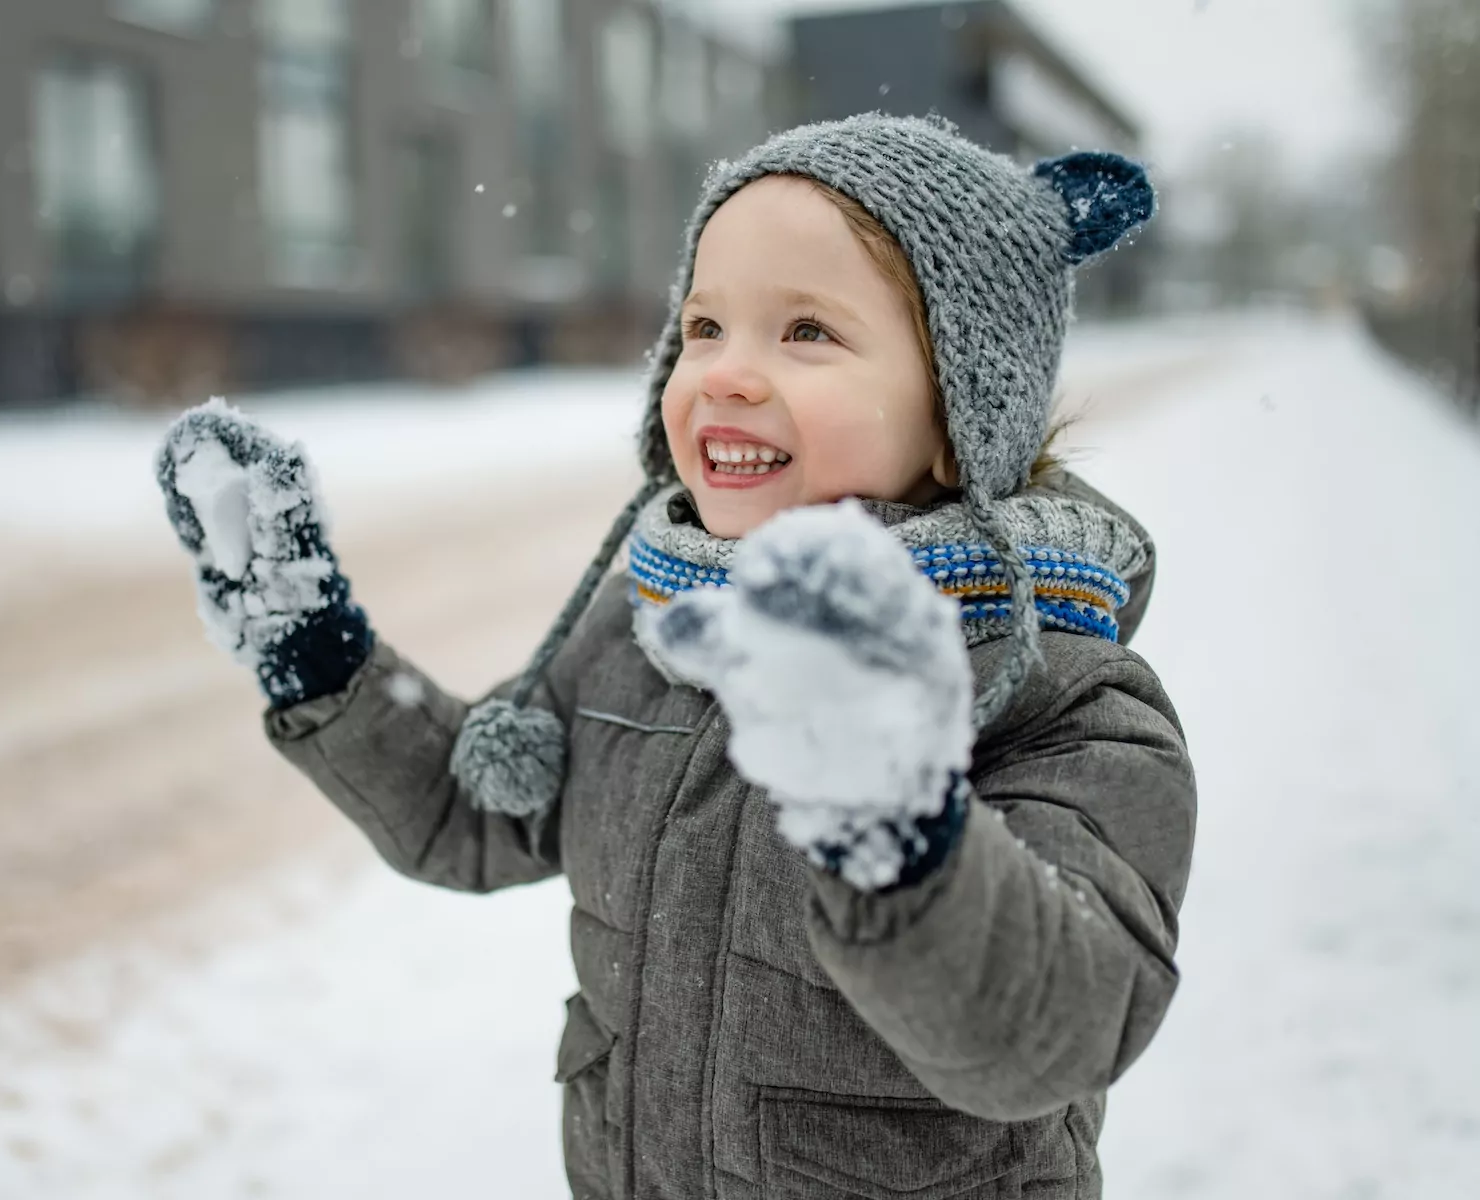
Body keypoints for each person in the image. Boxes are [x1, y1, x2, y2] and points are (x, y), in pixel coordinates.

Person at [154, 112, 1196, 1200]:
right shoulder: (644, 632)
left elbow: (1055, 1029)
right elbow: (474, 815)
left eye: (807, 333)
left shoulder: (1063, 698)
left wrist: (897, 814)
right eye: (705, 327)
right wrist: (313, 645)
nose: (727, 374)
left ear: (962, 418)